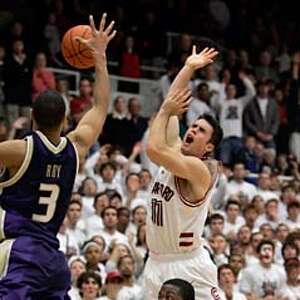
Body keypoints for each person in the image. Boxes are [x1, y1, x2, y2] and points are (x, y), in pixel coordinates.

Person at [0, 13, 116, 299]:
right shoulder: (75, 149)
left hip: (20, 253)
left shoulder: (17, 150)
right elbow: (101, 107)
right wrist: (99, 57)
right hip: (54, 259)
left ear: (31, 118)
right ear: (66, 120)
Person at [143, 47, 224, 299]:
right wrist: (189, 67)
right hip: (155, 263)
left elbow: (153, 149)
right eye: (193, 125)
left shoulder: (201, 169)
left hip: (188, 265)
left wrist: (166, 111)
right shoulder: (176, 151)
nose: (193, 130)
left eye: (201, 130)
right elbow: (174, 100)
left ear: (209, 146)